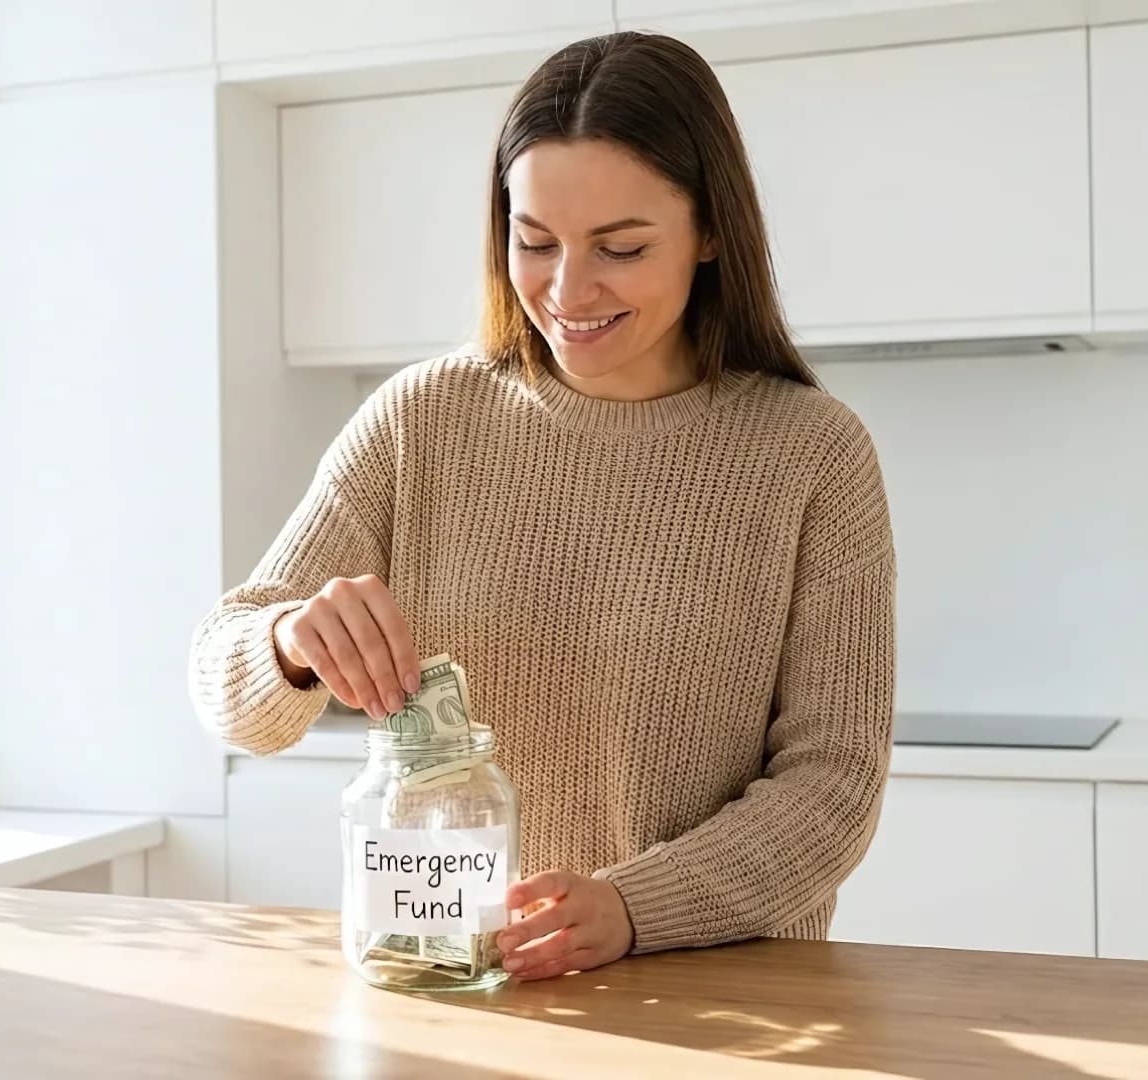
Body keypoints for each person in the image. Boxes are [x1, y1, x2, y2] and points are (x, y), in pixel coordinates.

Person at [188, 31, 895, 981]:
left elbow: (832, 788)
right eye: (535, 242)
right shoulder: (421, 419)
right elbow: (226, 692)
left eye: (622, 248)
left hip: (722, 1000)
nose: (567, 291)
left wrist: (632, 908)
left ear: (712, 232)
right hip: (457, 983)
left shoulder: (813, 453)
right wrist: (285, 642)